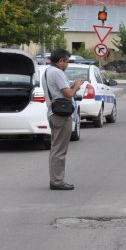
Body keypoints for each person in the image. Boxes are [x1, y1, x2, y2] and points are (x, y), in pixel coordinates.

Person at [44, 49, 86, 190]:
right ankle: (57, 181)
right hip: (61, 115)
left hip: (52, 112)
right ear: (61, 60)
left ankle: (55, 179)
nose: (67, 64)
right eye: (67, 61)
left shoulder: (47, 71)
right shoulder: (57, 72)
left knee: (55, 148)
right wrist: (76, 85)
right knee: (59, 149)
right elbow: (68, 93)